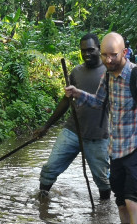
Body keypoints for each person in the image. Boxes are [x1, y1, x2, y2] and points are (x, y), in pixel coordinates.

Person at [64, 32, 137, 224]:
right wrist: (78, 93)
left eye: (113, 55)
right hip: (115, 149)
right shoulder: (107, 76)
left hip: (136, 147)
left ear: (124, 52)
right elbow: (99, 102)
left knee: (133, 201)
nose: (108, 60)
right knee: (120, 202)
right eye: (105, 55)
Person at [36, 33, 111, 200]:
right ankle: (41, 203)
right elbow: (66, 101)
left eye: (91, 50)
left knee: (102, 179)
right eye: (83, 51)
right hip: (72, 131)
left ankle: (104, 212)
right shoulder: (77, 72)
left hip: (98, 136)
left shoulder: (109, 72)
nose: (87, 54)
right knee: (50, 168)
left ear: (99, 49)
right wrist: (46, 126)